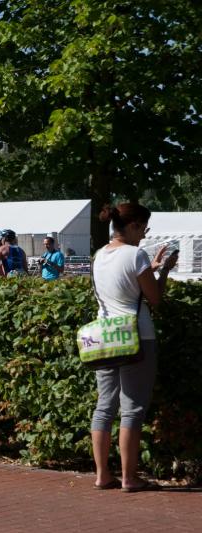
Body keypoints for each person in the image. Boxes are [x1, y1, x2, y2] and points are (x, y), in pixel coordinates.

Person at [90, 203, 177, 492]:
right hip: (136, 336)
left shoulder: (99, 254)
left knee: (104, 407)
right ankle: (129, 478)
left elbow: (119, 287)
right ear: (133, 225)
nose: (144, 235)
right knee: (132, 409)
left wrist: (149, 270)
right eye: (144, 228)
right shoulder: (136, 254)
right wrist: (164, 272)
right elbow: (155, 298)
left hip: (105, 336)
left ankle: (102, 475)